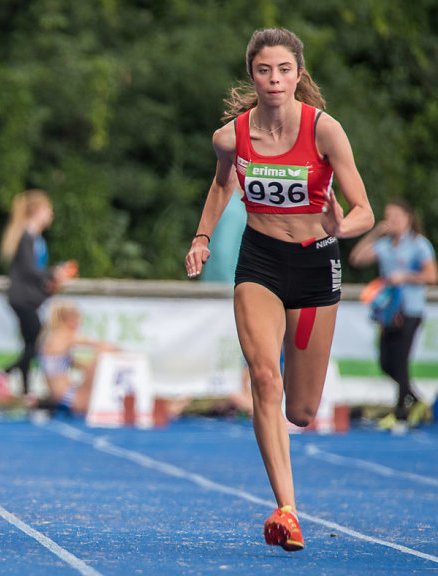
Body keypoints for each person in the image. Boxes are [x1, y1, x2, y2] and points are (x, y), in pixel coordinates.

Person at [184, 28, 373, 552]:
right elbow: (223, 183)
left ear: (298, 75)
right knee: (265, 377)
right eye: (264, 70)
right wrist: (202, 237)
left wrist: (339, 226)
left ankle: (289, 480)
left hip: (315, 267)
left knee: (302, 410)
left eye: (284, 70)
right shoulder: (231, 137)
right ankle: (287, 510)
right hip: (261, 262)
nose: (274, 80)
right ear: (253, 74)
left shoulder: (324, 131)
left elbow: (365, 211)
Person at [350, 199, 436, 431]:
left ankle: (401, 413)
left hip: (410, 309)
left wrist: (406, 276)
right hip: (388, 313)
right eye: (389, 217)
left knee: (400, 360)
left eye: (397, 217)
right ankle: (417, 401)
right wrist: (376, 232)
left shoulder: (419, 245)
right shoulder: (386, 244)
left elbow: (432, 276)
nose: (393, 222)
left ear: (408, 218)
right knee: (386, 363)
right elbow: (356, 258)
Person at [0, 189, 77, 401]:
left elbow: (33, 272)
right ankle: (4, 372)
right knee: (38, 344)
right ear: (36, 211)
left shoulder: (34, 237)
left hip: (28, 297)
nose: (51, 214)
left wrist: (50, 281)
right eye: (47, 210)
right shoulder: (26, 236)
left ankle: (25, 390)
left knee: (29, 343)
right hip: (23, 299)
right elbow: (29, 270)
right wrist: (54, 274)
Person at [35, 301, 113, 416]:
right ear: (66, 320)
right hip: (68, 398)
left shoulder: (49, 338)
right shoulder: (65, 336)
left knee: (90, 365)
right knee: (102, 356)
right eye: (77, 319)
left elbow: (71, 363)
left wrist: (85, 367)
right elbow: (101, 345)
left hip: (57, 395)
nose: (79, 324)